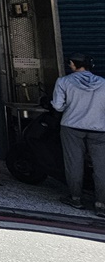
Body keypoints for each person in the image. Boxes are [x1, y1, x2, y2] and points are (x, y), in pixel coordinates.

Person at [51, 52, 105, 218]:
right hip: (99, 128)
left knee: (74, 163)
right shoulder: (103, 83)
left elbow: (58, 106)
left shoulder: (64, 81)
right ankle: (101, 204)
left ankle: (75, 198)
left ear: (73, 65)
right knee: (101, 167)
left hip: (72, 127)